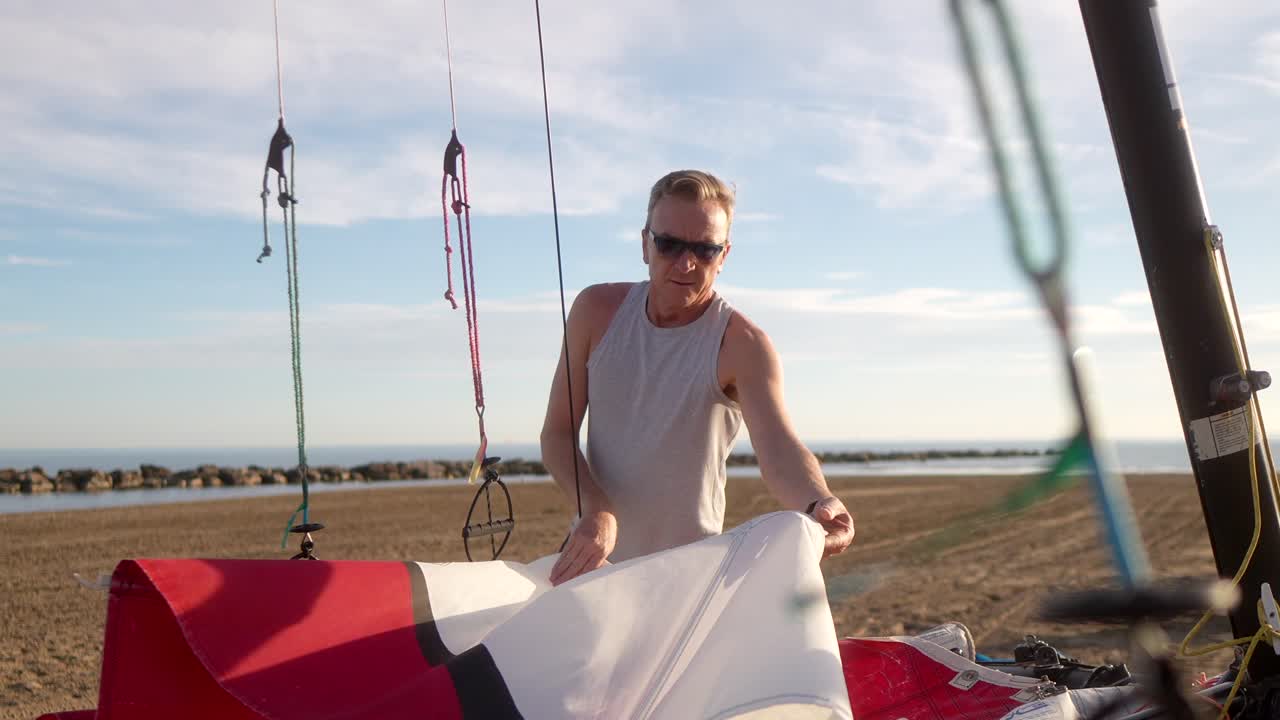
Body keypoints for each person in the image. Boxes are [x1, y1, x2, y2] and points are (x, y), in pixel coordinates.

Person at [540, 169, 855, 585]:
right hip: (592, 570)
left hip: (688, 582)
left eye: (705, 250)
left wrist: (820, 501)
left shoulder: (742, 344)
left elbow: (779, 448)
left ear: (724, 256)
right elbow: (558, 434)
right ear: (644, 244)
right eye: (669, 245)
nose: (686, 263)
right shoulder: (594, 311)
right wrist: (596, 510)